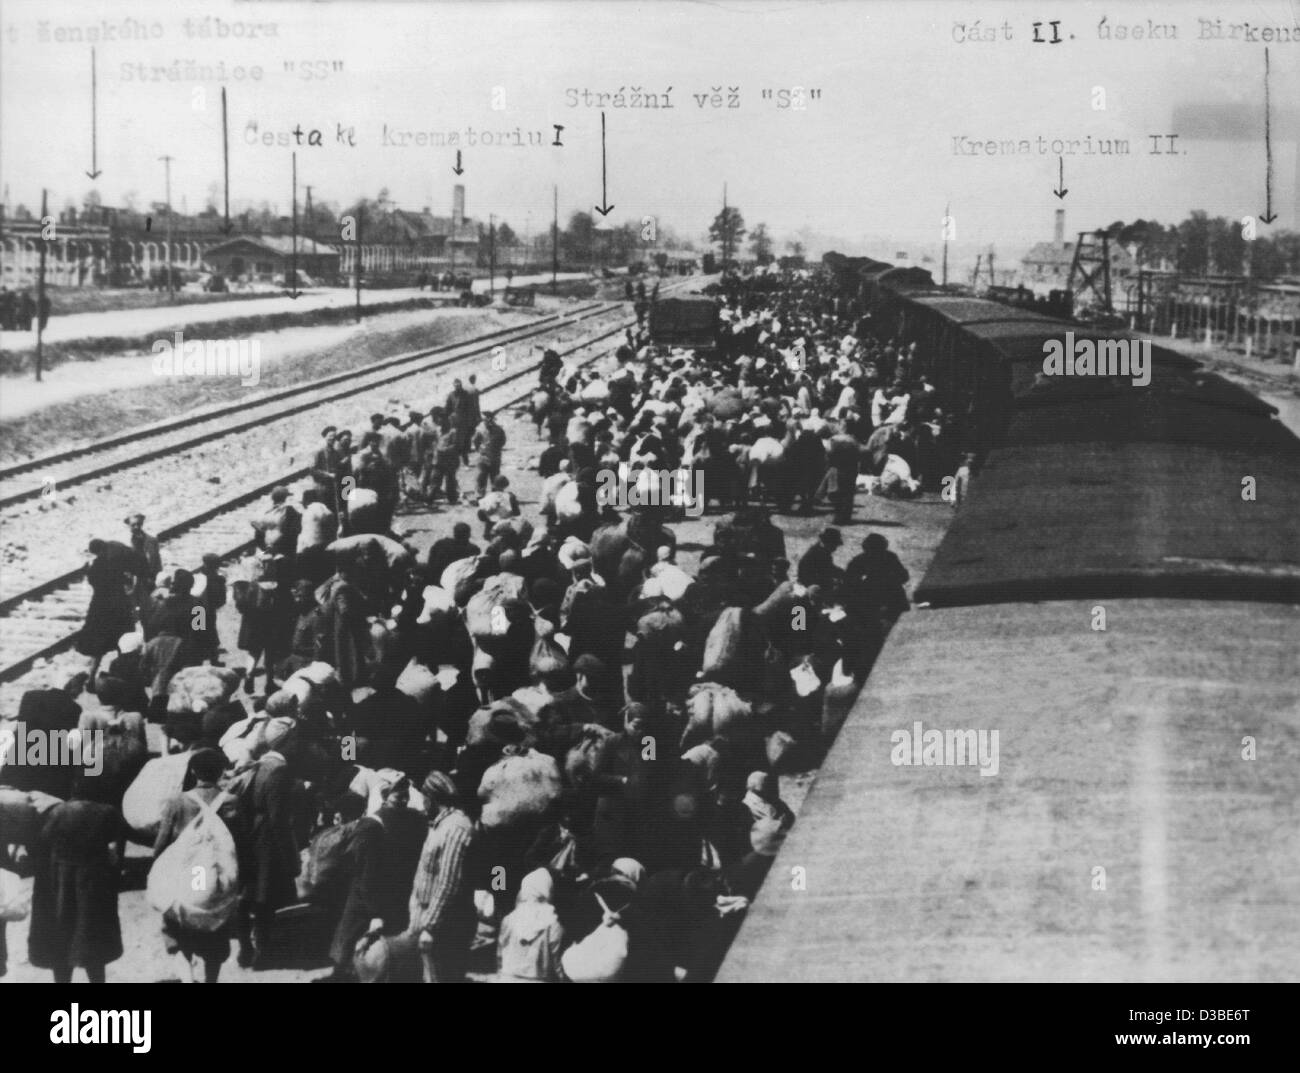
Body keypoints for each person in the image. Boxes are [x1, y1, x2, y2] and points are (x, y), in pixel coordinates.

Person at [324, 777, 427, 983]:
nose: (404, 799)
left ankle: (343, 973)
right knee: (388, 941)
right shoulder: (417, 820)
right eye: (402, 795)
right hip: (400, 890)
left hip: (368, 891)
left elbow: (363, 868)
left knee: (351, 935)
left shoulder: (371, 824)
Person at [153, 748, 235, 983]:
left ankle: (187, 978)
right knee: (215, 933)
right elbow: (241, 843)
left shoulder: (177, 802)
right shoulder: (231, 802)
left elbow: (160, 845)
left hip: (185, 876)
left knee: (179, 929)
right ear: (221, 772)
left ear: (192, 771)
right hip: (218, 878)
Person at [27, 794, 129, 983]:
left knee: (61, 935)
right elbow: (118, 853)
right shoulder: (108, 812)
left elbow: (39, 847)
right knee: (93, 937)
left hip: (60, 884)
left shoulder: (57, 812)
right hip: (94, 884)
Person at [233, 720, 302, 969]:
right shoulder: (279, 770)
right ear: (286, 741)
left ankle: (245, 947)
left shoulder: (260, 763)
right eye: (295, 738)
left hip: (250, 835)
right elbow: (279, 820)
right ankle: (261, 949)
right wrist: (291, 859)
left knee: (246, 895)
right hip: (268, 841)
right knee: (265, 898)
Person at [408, 771, 477, 983]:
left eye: (423, 797)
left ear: (432, 797)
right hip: (433, 919)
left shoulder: (456, 828)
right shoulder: (440, 825)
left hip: (447, 925)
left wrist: (430, 926)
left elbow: (449, 882)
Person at [77, 539, 139, 683]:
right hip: (119, 607)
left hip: (100, 608)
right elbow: (126, 581)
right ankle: (124, 675)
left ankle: (91, 678)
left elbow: (93, 581)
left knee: (98, 647)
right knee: (122, 642)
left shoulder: (96, 566)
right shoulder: (115, 563)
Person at [495, 867, 565, 982]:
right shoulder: (552, 923)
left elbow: (500, 955)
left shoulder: (509, 919)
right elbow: (557, 961)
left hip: (507, 978)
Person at [472, 411, 507, 501]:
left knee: (494, 477)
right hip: (484, 456)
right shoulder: (480, 430)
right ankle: (480, 496)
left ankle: (495, 495)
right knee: (481, 476)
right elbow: (475, 441)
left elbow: (502, 441)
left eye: (488, 419)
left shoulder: (499, 430)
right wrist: (480, 450)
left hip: (494, 456)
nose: (487, 422)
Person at [476, 475, 520, 540]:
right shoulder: (510, 496)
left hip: (490, 526)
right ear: (506, 485)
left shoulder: (488, 496)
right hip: (505, 526)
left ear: (494, 484)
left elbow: (481, 515)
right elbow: (517, 513)